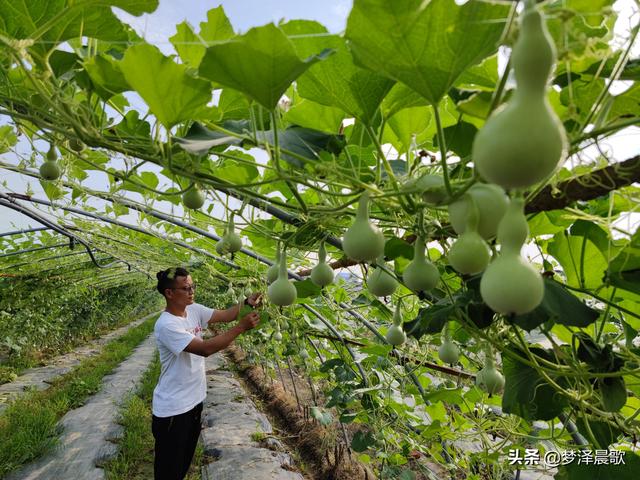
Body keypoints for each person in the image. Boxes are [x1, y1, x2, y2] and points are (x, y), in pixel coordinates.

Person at [151, 267, 262, 480]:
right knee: (168, 472)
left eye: (193, 286)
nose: (192, 291)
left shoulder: (193, 310)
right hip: (173, 410)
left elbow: (227, 315)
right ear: (169, 293)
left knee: (182, 465)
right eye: (186, 288)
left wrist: (247, 303)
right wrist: (240, 328)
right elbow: (205, 349)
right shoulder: (166, 325)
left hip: (193, 402)